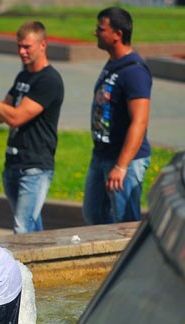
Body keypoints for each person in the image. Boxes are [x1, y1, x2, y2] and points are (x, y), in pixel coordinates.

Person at [0, 21, 64, 234]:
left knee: (22, 228)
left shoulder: (49, 81)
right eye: (19, 46)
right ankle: (43, 267)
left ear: (43, 45)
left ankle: (23, 268)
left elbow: (16, 118)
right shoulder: (23, 76)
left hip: (34, 167)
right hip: (13, 164)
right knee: (32, 229)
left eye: (27, 46)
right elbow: (1, 114)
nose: (22, 51)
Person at [84, 7, 152, 225]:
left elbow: (140, 122)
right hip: (102, 155)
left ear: (118, 34)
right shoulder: (114, 64)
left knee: (124, 225)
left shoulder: (135, 72)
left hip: (125, 161)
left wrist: (121, 166)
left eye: (101, 29)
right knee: (94, 215)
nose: (96, 33)